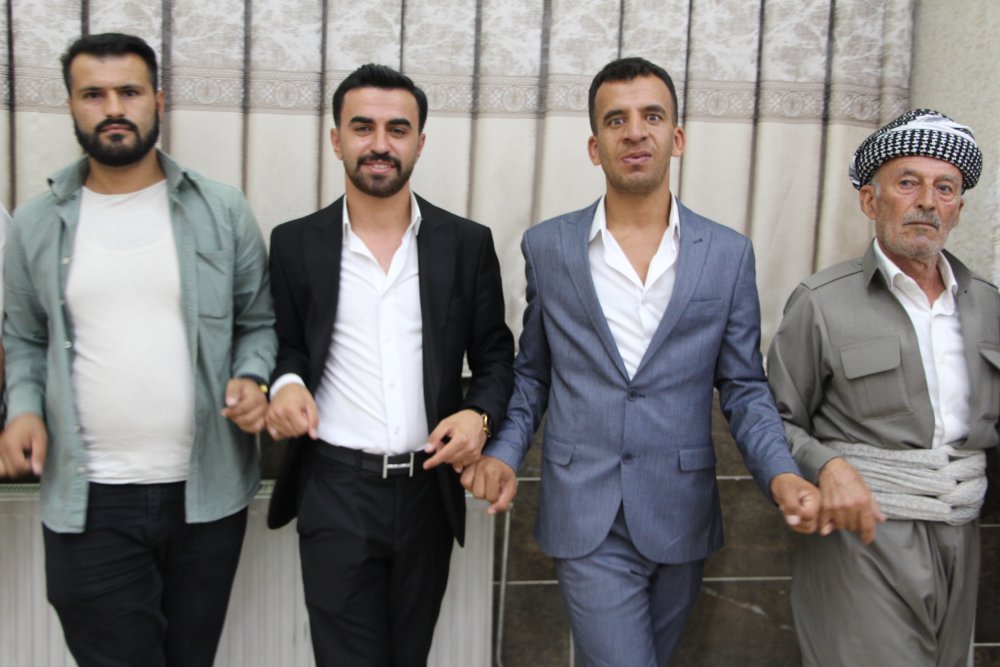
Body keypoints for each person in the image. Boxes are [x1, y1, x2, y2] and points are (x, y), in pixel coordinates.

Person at [463, 56, 820, 666]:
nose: (635, 132)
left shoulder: (728, 253)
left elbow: (743, 386)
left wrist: (780, 472)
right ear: (594, 146)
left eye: (652, 117)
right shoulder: (549, 247)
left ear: (676, 138)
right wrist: (503, 452)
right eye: (616, 120)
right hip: (585, 511)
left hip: (681, 511)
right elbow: (533, 373)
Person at [0, 33, 276, 667]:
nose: (113, 108)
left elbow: (258, 323)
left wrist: (252, 378)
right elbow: (25, 336)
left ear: (158, 100)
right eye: (93, 94)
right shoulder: (36, 223)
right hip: (88, 499)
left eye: (128, 91)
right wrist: (24, 409)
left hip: (206, 493)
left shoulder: (222, 210)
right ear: (71, 105)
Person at [264, 63, 514, 667]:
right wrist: (287, 383)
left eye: (397, 129)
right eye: (363, 127)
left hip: (428, 491)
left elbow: (495, 355)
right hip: (335, 490)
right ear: (336, 139)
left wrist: (479, 417)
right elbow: (286, 344)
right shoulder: (295, 243)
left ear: (420, 142)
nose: (380, 144)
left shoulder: (466, 244)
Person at [767, 108, 993, 666]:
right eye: (908, 183)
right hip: (864, 536)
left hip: (962, 534)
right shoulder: (821, 303)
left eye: (945, 188)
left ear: (958, 210)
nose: (927, 202)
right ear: (870, 201)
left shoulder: (990, 307)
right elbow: (773, 420)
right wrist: (827, 466)